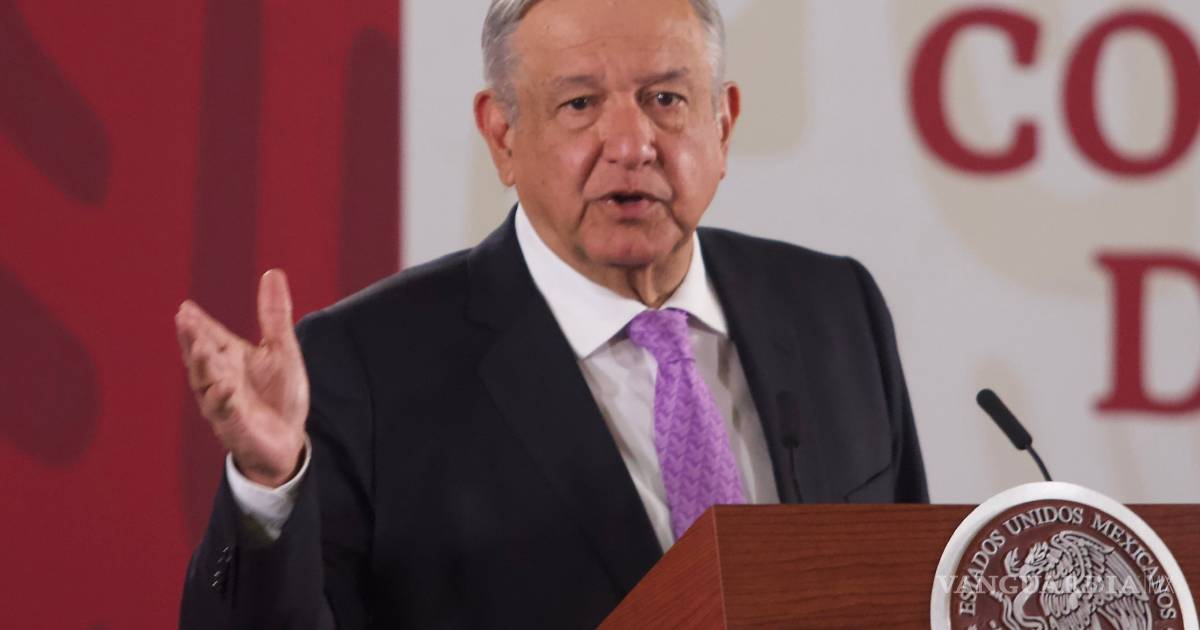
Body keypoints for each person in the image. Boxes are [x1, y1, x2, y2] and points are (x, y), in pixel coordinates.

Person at [175, 0, 928, 627]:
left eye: (666, 99)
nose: (630, 144)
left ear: (723, 124)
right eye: (580, 104)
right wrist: (269, 489)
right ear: (503, 136)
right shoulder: (364, 368)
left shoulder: (835, 309)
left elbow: (909, 594)